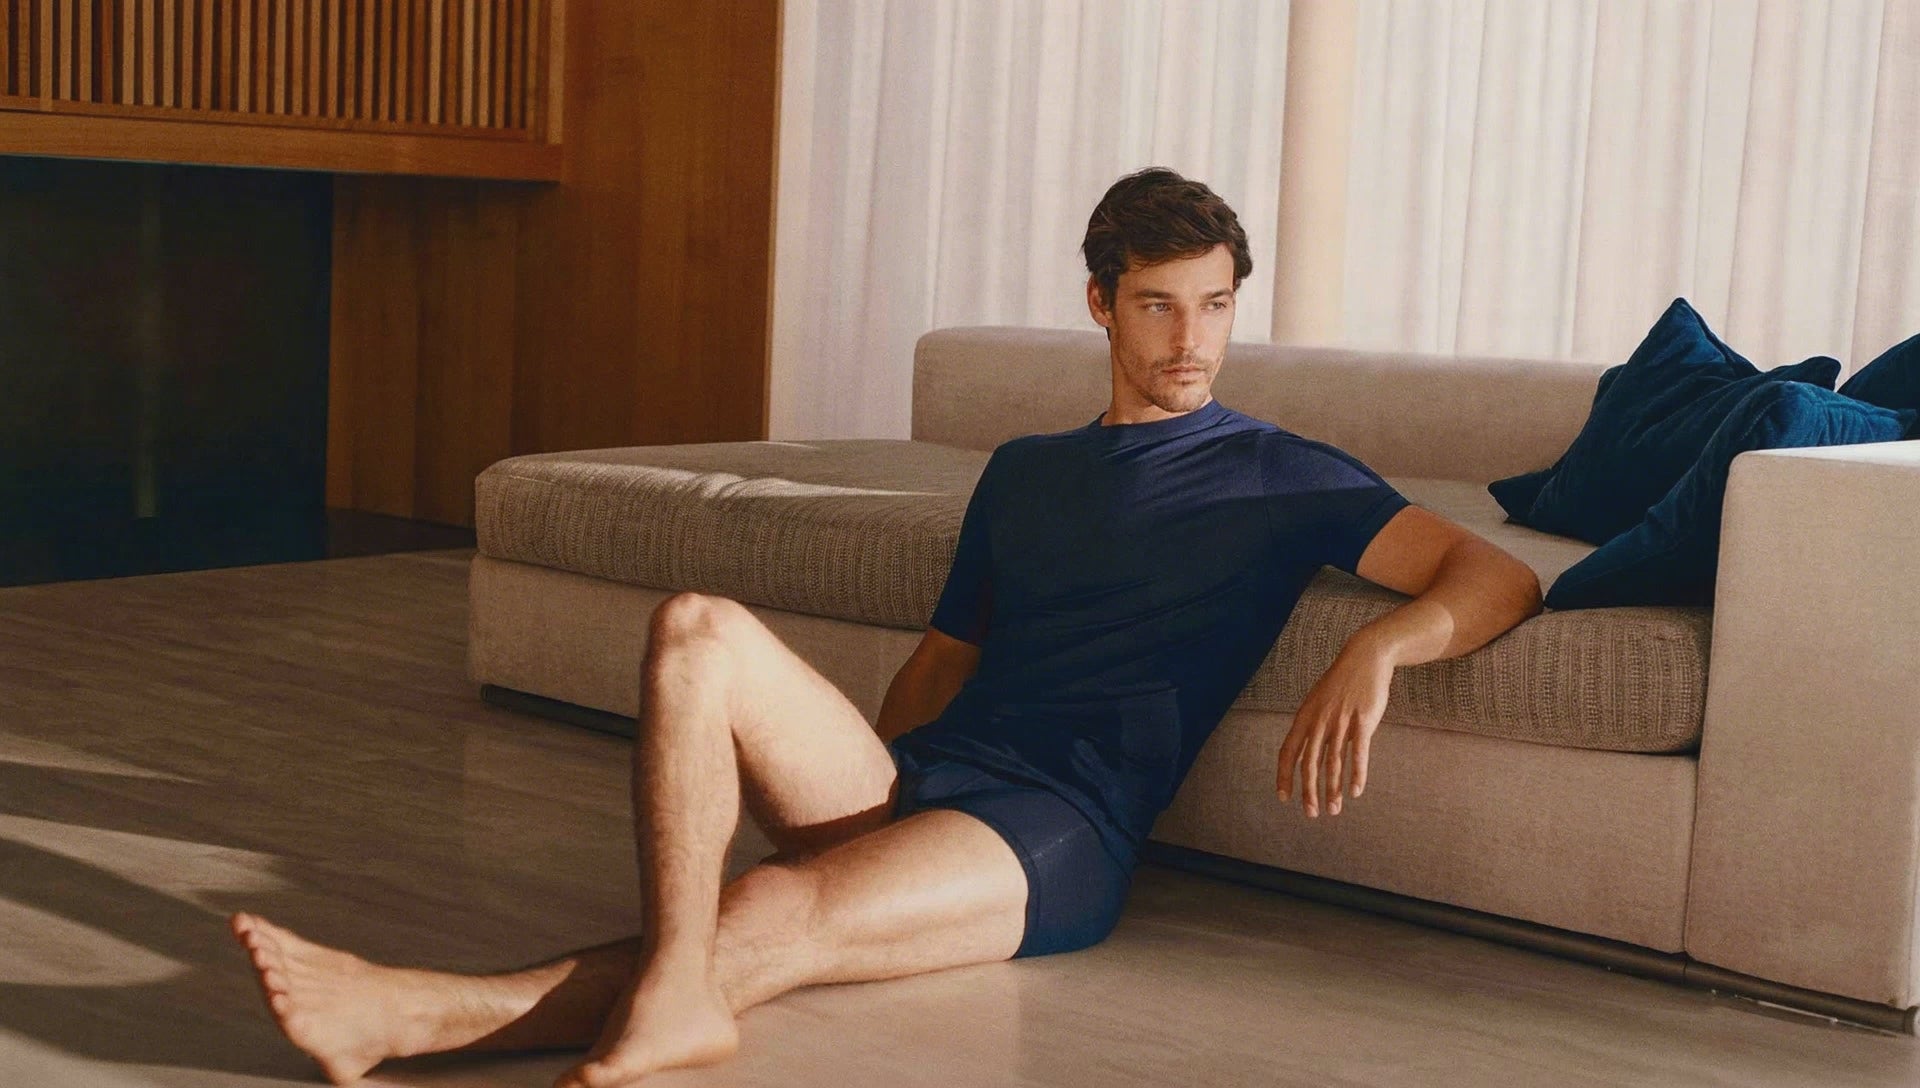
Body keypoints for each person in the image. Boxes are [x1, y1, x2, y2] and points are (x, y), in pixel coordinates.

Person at [230, 167, 1543, 1088]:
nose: (1191, 339)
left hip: (1055, 830)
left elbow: (1492, 575)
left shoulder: (1278, 475)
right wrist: (867, 801)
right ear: (1100, 303)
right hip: (931, 775)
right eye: (1159, 303)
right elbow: (941, 663)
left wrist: (1380, 646)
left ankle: (427, 1014)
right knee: (696, 629)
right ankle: (673, 985)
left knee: (779, 905)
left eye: (1215, 305)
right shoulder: (1025, 472)